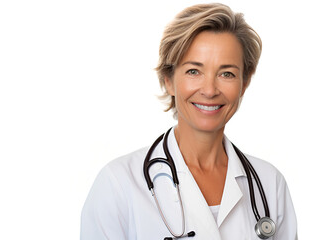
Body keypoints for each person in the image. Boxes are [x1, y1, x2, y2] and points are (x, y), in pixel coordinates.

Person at [80, 3, 297, 240]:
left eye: (227, 74)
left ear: (244, 83)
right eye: (194, 71)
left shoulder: (269, 184)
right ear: (168, 80)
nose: (210, 90)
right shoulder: (118, 185)